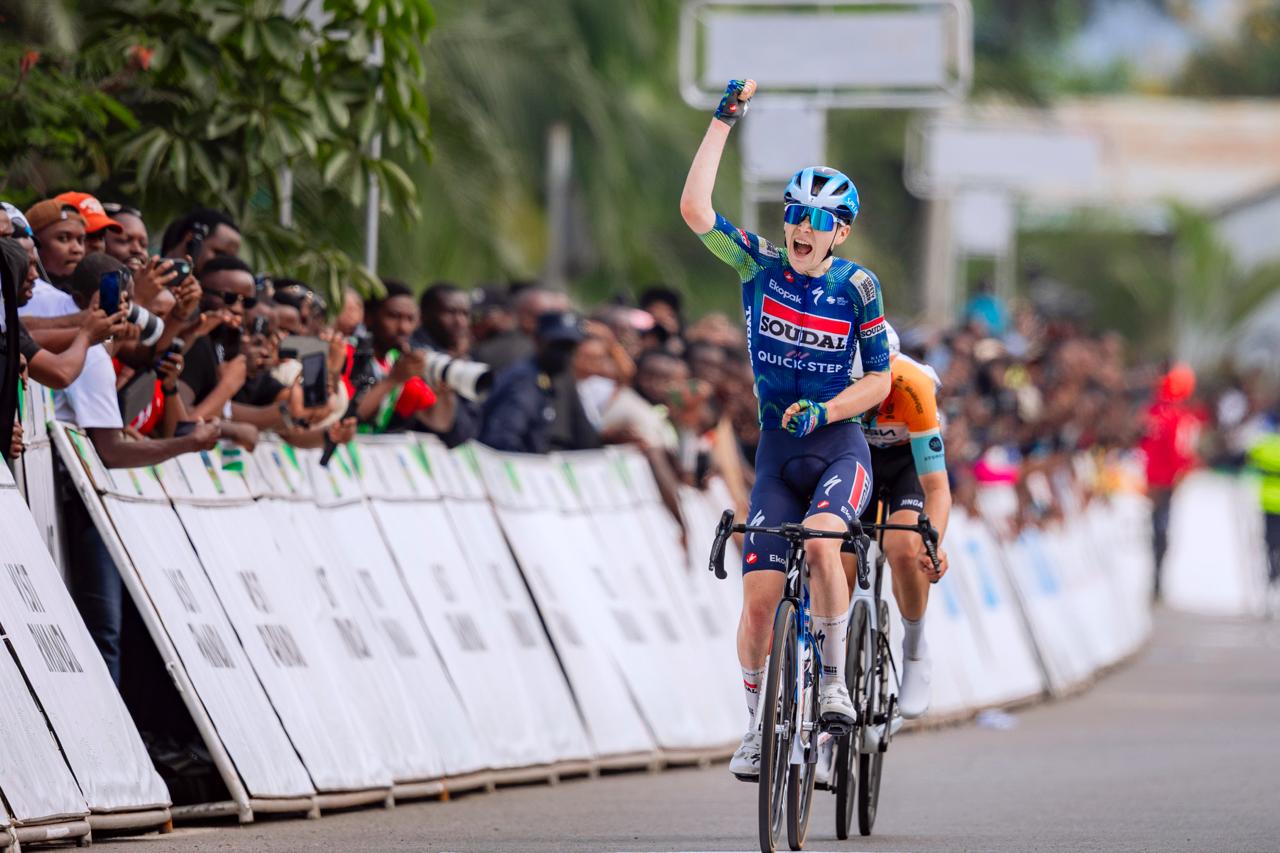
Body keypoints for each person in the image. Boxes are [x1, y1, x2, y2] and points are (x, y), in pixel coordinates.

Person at [680, 78, 892, 780]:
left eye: (820, 219)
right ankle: (752, 728)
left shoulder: (856, 287)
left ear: (842, 231)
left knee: (828, 544)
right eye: (796, 213)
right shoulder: (759, 264)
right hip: (776, 454)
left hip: (838, 447)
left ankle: (832, 681)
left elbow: (881, 379)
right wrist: (722, 121)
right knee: (760, 602)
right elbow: (695, 209)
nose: (803, 228)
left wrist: (828, 411)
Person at [57, 253, 220, 683]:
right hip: (78, 501)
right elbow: (109, 449)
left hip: (75, 496)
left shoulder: (89, 349)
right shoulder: (91, 355)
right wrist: (187, 444)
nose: (138, 317)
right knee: (103, 632)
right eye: (131, 303)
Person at [851, 332, 951, 721]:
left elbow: (938, 488)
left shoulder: (914, 385)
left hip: (908, 465)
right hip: (857, 461)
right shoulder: (831, 380)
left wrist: (934, 544)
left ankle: (914, 648)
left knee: (903, 548)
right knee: (837, 561)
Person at [479, 310, 601, 454]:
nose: (564, 354)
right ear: (538, 340)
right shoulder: (523, 379)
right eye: (558, 346)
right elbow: (502, 440)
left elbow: (585, 437)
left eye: (570, 347)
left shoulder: (563, 378)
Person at [1138, 364, 1205, 601]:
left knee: (1158, 530)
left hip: (1154, 481)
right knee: (1159, 530)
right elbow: (1181, 453)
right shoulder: (1178, 418)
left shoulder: (1153, 412)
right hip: (1160, 483)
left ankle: (1156, 578)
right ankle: (1155, 578)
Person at [1245, 411, 1280, 615]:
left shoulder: (1265, 445)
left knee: (1270, 545)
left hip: (1269, 504)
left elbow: (1246, 457)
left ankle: (1271, 574)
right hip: (1272, 504)